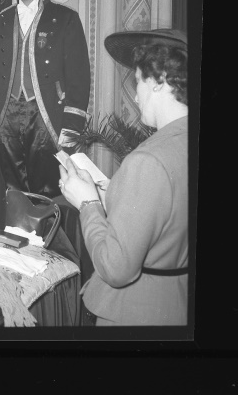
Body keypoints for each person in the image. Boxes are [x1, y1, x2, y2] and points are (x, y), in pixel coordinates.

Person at [58, 28, 188, 326]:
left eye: (138, 81)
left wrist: (88, 203)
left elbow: (116, 268)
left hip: (134, 316)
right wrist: (113, 196)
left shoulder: (148, 160)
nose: (136, 95)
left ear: (159, 81)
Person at [0, 0, 91, 198]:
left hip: (47, 115)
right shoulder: (3, 19)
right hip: (7, 115)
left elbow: (78, 78)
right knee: (13, 191)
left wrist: (71, 127)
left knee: (48, 191)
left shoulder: (64, 18)